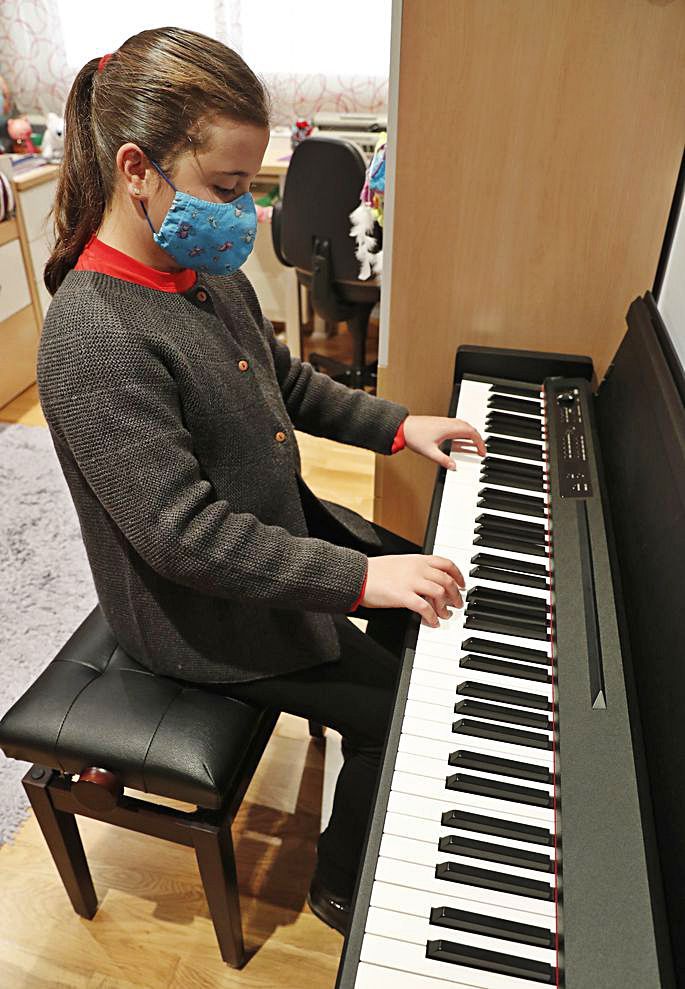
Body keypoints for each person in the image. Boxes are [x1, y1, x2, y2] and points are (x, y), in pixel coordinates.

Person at [37, 26, 485, 936]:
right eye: (230, 189)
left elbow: (285, 384)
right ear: (136, 167)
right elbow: (184, 538)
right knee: (392, 707)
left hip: (273, 535)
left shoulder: (202, 270)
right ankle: (343, 885)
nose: (247, 215)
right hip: (192, 612)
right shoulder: (93, 337)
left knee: (433, 601)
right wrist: (361, 578)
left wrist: (399, 425)